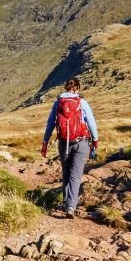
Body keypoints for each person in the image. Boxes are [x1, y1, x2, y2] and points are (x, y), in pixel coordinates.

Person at [40, 77, 99, 217]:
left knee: (66, 173)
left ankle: (67, 201)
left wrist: (45, 142)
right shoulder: (82, 103)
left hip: (63, 142)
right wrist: (95, 140)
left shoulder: (58, 103)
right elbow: (91, 122)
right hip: (81, 142)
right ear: (77, 88)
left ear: (66, 88)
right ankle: (71, 207)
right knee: (75, 175)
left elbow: (50, 124)